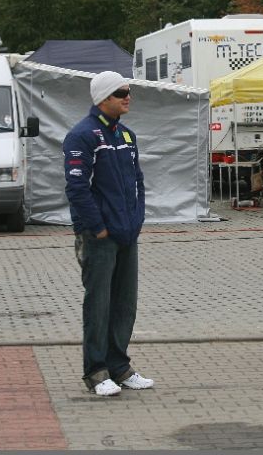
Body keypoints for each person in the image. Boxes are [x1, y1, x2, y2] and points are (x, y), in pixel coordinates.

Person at [63, 71, 154, 396]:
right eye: (120, 92)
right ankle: (97, 372)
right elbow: (76, 187)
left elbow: (138, 183)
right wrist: (97, 228)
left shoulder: (126, 136)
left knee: (124, 304)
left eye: (128, 91)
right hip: (100, 237)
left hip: (127, 234)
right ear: (102, 98)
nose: (127, 96)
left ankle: (120, 366)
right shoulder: (83, 136)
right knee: (98, 305)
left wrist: (137, 219)